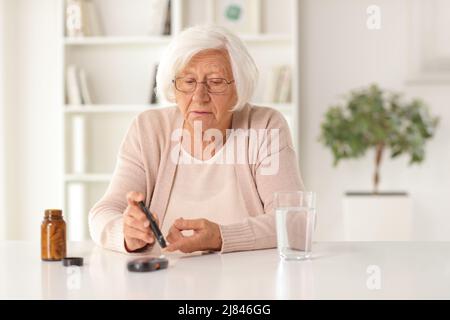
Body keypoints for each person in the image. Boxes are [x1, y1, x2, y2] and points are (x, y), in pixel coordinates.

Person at [88, 25, 304, 255]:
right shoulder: (148, 128)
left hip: (247, 280)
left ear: (238, 88)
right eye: (188, 82)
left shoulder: (265, 125)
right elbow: (103, 212)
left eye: (216, 81)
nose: (199, 97)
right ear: (173, 86)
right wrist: (127, 233)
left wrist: (222, 237)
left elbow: (294, 221)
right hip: (163, 282)